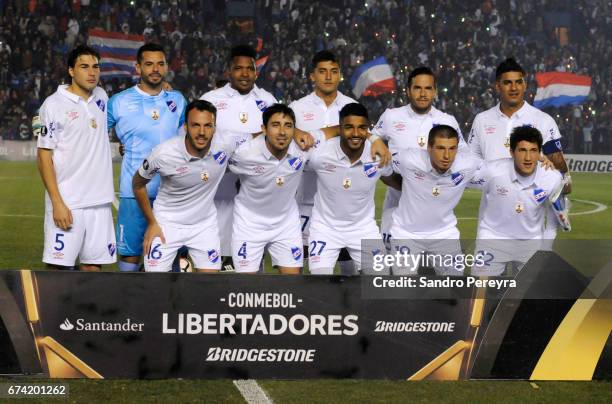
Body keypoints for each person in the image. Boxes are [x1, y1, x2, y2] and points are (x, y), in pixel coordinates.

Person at [133, 100, 246, 272]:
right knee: (155, 286)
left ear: (215, 128)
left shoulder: (225, 145)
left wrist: (297, 133)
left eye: (208, 126)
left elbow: (258, 136)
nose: (202, 132)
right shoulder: (164, 154)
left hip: (203, 226)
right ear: (185, 126)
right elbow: (138, 184)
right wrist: (151, 223)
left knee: (209, 286)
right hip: (166, 224)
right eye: (195, 125)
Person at [468, 58, 571, 243]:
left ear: (525, 85)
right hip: (491, 225)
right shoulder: (482, 120)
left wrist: (552, 171)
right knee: (486, 273)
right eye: (507, 82)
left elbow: (563, 178)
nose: (514, 87)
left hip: (530, 227)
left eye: (518, 82)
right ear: (497, 86)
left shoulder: (543, 120)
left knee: (525, 273)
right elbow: (471, 164)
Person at [108, 43, 187, 272]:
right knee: (130, 257)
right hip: (133, 193)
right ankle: (128, 306)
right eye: (149, 64)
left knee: (172, 259)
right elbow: (94, 134)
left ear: (166, 67)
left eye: (160, 64)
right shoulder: (119, 102)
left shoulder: (178, 100)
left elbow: (187, 138)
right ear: (138, 68)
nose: (155, 69)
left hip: (170, 195)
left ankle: (167, 308)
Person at [36, 45, 115, 271]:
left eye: (95, 67)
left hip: (100, 202)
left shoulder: (101, 96)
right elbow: (43, 157)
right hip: (68, 203)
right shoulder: (52, 106)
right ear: (71, 71)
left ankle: (82, 310)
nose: (92, 72)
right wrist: (57, 203)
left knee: (93, 271)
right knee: (58, 270)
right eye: (84, 67)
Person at [371, 67, 465, 251]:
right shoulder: (392, 116)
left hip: (436, 211)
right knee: (395, 271)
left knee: (432, 272)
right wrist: (376, 142)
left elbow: (463, 155)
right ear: (408, 90)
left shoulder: (448, 121)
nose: (423, 94)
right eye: (417, 88)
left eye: (428, 88)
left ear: (435, 91)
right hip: (397, 204)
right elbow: (371, 142)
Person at [199, 45, 277, 264]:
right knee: (217, 252)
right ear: (228, 71)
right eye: (238, 68)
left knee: (251, 256)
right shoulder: (211, 100)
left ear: (255, 71)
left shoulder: (268, 101)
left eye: (249, 69)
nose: (244, 74)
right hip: (218, 190)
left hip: (255, 190)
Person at [306, 103, 396, 275]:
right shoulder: (319, 154)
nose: (355, 133)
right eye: (348, 127)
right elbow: (295, 140)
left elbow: (392, 179)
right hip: (325, 229)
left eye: (362, 128)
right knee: (320, 284)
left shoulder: (379, 156)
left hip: (363, 229)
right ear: (339, 128)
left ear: (368, 129)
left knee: (380, 281)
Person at [289, 50, 357, 273]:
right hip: (306, 204)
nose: (328, 77)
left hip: (346, 209)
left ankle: (351, 309)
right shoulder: (297, 109)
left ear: (340, 75)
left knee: (352, 272)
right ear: (312, 76)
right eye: (322, 72)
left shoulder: (352, 107)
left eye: (334, 72)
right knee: (309, 273)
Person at [228, 104, 314, 274]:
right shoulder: (244, 154)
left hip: (286, 225)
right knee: (248, 292)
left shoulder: (303, 148)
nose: (282, 132)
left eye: (288, 126)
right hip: (249, 225)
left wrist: (373, 138)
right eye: (275, 125)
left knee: (293, 285)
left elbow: (333, 132)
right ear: (264, 129)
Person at [470, 126, 564, 276]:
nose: (528, 158)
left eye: (533, 151)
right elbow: (461, 174)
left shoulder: (552, 178)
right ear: (511, 152)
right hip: (492, 239)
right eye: (522, 150)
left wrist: (544, 251)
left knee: (528, 297)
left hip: (531, 244)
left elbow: (553, 222)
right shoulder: (492, 171)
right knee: (479, 294)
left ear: (540, 153)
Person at [389, 125, 480, 276]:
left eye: (452, 149)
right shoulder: (408, 159)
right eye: (440, 148)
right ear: (429, 148)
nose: (447, 155)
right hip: (405, 233)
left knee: (455, 287)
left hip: (444, 234)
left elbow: (496, 173)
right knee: (403, 288)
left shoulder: (468, 165)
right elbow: (379, 161)